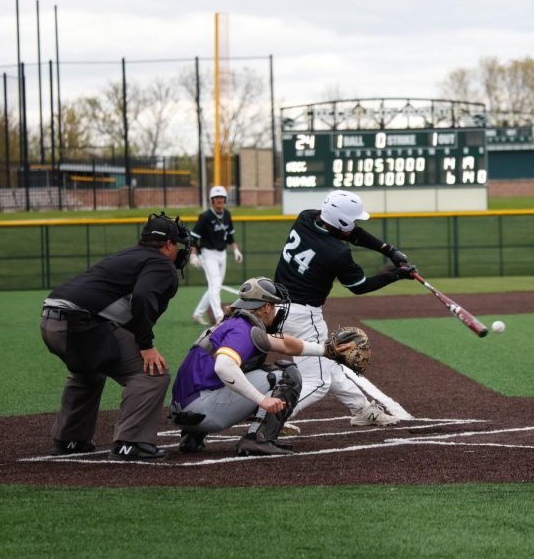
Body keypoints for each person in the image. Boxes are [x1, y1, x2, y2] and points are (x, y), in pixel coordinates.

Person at [40, 211, 191, 461]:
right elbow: (142, 297)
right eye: (178, 244)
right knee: (152, 374)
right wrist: (146, 345)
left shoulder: (127, 255)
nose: (180, 250)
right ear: (168, 244)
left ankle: (70, 440)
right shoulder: (162, 263)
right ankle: (130, 443)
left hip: (50, 319)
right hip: (81, 323)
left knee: (89, 371)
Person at [274, 189, 416, 428]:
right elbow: (360, 286)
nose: (356, 224)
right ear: (340, 222)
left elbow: (353, 233)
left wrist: (388, 250)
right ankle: (270, 417)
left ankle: (363, 410)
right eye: (353, 220)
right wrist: (397, 274)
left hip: (277, 306)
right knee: (317, 381)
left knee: (329, 365)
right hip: (303, 315)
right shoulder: (337, 253)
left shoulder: (306, 217)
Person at [169, 276, 352, 456]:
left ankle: (192, 437)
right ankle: (259, 438)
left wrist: (326, 350)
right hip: (204, 411)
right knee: (286, 373)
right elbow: (223, 367)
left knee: (234, 373)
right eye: (273, 305)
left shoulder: (231, 323)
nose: (276, 310)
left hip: (184, 412)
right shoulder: (243, 329)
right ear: (265, 307)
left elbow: (285, 344)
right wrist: (261, 400)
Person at [189, 185, 243, 325]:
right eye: (216, 198)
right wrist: (193, 255)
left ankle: (197, 314)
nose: (219, 200)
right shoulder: (205, 216)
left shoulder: (227, 214)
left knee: (215, 286)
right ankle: (219, 316)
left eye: (221, 197)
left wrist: (236, 250)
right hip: (208, 254)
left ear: (225, 200)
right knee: (215, 284)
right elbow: (193, 238)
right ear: (211, 200)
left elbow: (230, 236)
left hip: (222, 253)